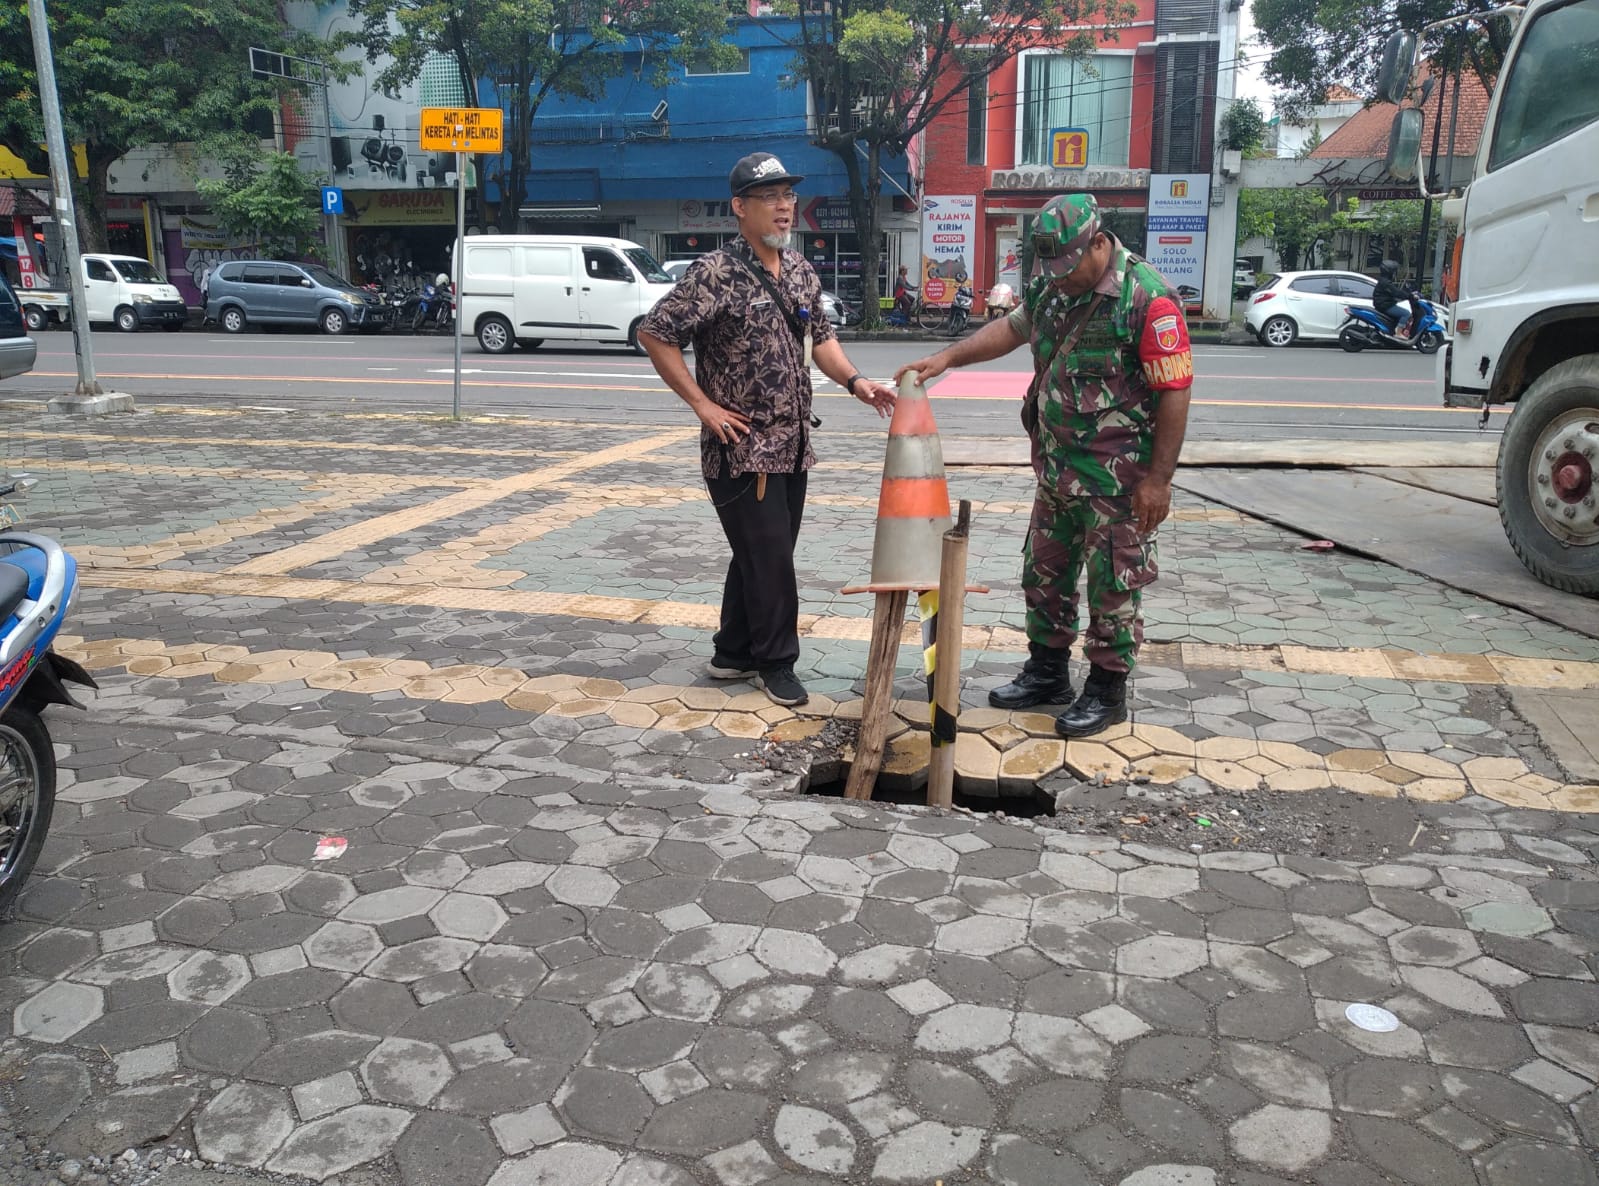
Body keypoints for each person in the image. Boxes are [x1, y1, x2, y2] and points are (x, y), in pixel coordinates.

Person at [895, 193, 1193, 737]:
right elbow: (1012, 329)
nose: (1060, 279)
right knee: (1044, 573)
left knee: (1114, 584)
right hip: (1056, 471)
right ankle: (1047, 672)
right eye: (1050, 270)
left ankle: (1105, 689)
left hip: (1118, 485)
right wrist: (947, 358)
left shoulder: (1147, 299)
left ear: (1100, 243)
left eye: (1069, 266)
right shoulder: (1054, 287)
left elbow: (1174, 390)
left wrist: (1159, 481)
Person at [639, 151, 897, 708]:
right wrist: (702, 405)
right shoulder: (714, 273)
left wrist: (857, 383)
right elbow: (656, 333)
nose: (785, 208)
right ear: (740, 207)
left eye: (789, 198)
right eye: (771, 198)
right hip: (742, 450)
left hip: (794, 445)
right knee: (772, 558)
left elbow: (820, 338)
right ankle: (776, 663)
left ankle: (732, 652)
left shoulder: (801, 270)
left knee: (761, 554)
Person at [1372, 259, 1415, 338]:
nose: (1395, 273)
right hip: (1385, 305)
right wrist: (1409, 296)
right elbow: (1396, 292)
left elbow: (1395, 292)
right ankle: (1398, 333)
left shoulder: (1384, 280)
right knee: (1406, 313)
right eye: (1394, 271)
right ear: (1389, 271)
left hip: (1383, 304)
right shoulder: (1386, 283)